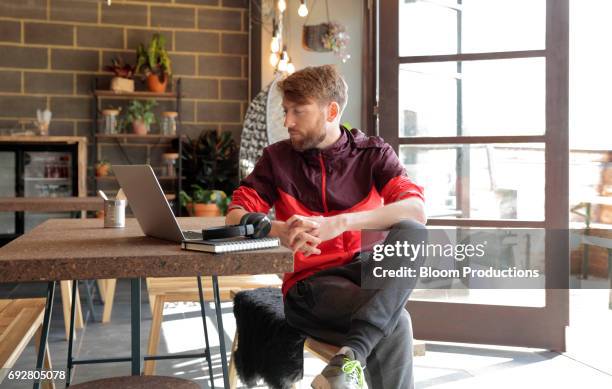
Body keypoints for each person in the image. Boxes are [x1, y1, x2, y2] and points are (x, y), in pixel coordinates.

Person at [226, 65, 426, 389]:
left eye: (297, 112)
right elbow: (235, 214)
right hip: (309, 288)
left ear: (331, 111)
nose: (287, 122)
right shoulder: (276, 160)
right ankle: (352, 359)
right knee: (397, 322)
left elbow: (416, 210)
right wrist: (279, 229)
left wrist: (340, 223)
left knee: (415, 233)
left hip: (365, 275)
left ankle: (346, 362)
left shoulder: (373, 154)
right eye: (286, 111)